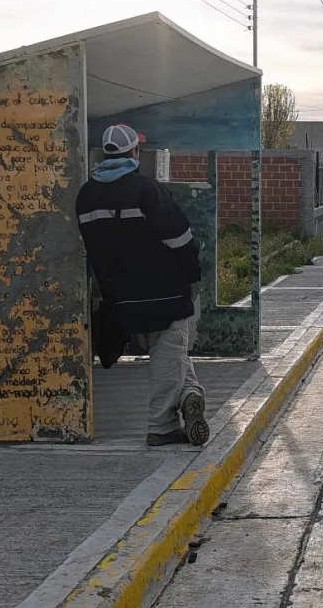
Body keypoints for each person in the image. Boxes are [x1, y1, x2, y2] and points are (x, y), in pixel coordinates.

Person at [75, 124, 209, 447]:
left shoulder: (86, 197)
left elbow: (94, 253)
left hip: (124, 300)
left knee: (171, 355)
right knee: (168, 351)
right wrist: (193, 276)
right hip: (167, 294)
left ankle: (190, 395)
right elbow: (180, 239)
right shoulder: (146, 191)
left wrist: (112, 296)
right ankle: (162, 426)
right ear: (134, 152)